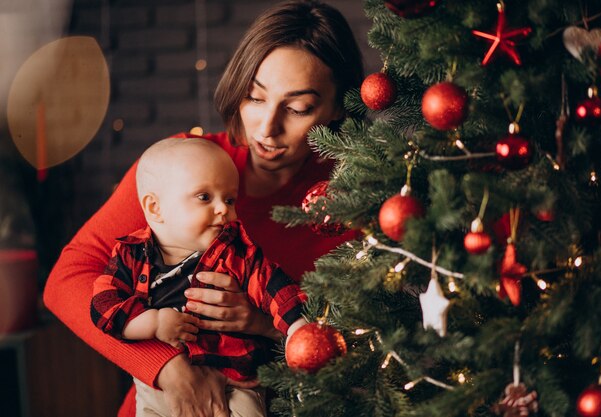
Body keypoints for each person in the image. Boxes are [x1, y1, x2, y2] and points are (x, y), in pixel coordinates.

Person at [44, 1, 364, 416]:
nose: (266, 128)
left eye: (298, 108)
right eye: (254, 97)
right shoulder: (178, 165)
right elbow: (65, 281)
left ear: (338, 106)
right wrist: (165, 367)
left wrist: (260, 323)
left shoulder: (357, 197)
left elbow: (369, 346)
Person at [91, 138, 307, 417]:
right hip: (158, 387)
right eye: (204, 197)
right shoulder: (131, 254)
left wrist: (298, 327)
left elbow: (276, 287)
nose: (223, 209)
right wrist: (152, 323)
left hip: (234, 381)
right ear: (155, 208)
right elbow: (103, 305)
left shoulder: (235, 254)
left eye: (230, 199)